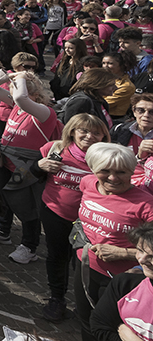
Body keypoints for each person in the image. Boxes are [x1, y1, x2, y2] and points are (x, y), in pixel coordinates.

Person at [0, 70, 61, 264]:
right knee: (3, 198)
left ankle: (29, 246)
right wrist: (7, 75)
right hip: (7, 161)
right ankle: (3, 230)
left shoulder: (44, 112)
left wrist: (23, 77)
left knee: (28, 206)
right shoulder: (18, 105)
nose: (12, 91)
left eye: (15, 87)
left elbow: (20, 97)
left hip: (27, 166)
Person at [74, 143, 153, 341]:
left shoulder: (145, 204)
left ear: (132, 171)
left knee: (112, 328)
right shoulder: (87, 183)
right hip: (85, 265)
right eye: (105, 171)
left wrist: (122, 253)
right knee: (86, 320)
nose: (112, 178)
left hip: (123, 278)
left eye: (121, 172)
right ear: (93, 169)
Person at [37, 113, 111, 322]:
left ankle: (84, 303)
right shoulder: (55, 148)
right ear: (72, 131)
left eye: (96, 133)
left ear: (103, 136)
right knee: (57, 256)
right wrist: (39, 166)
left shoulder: (105, 157)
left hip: (89, 221)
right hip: (55, 213)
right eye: (84, 131)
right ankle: (57, 298)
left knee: (82, 262)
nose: (89, 136)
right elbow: (34, 174)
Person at [89, 221, 153, 341]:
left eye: (152, 256)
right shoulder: (125, 283)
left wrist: (129, 336)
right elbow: (99, 324)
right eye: (140, 251)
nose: (142, 260)